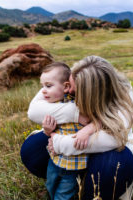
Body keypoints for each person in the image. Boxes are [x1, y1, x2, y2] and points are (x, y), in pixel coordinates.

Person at [21, 56, 133, 200]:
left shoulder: (123, 91)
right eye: (68, 85)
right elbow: (34, 111)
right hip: (69, 134)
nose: (68, 90)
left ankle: (88, 188)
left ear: (93, 95)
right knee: (32, 151)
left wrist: (63, 144)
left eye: (74, 91)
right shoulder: (73, 76)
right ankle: (74, 180)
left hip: (106, 147)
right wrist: (76, 114)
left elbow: (116, 138)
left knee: (110, 168)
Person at [38, 62, 93, 200]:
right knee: (51, 185)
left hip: (74, 165)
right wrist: (47, 131)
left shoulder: (80, 101)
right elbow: (52, 131)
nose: (43, 90)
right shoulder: (51, 107)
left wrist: (87, 130)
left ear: (66, 86)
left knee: (64, 194)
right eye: (42, 86)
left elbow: (99, 120)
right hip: (55, 159)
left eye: (48, 86)